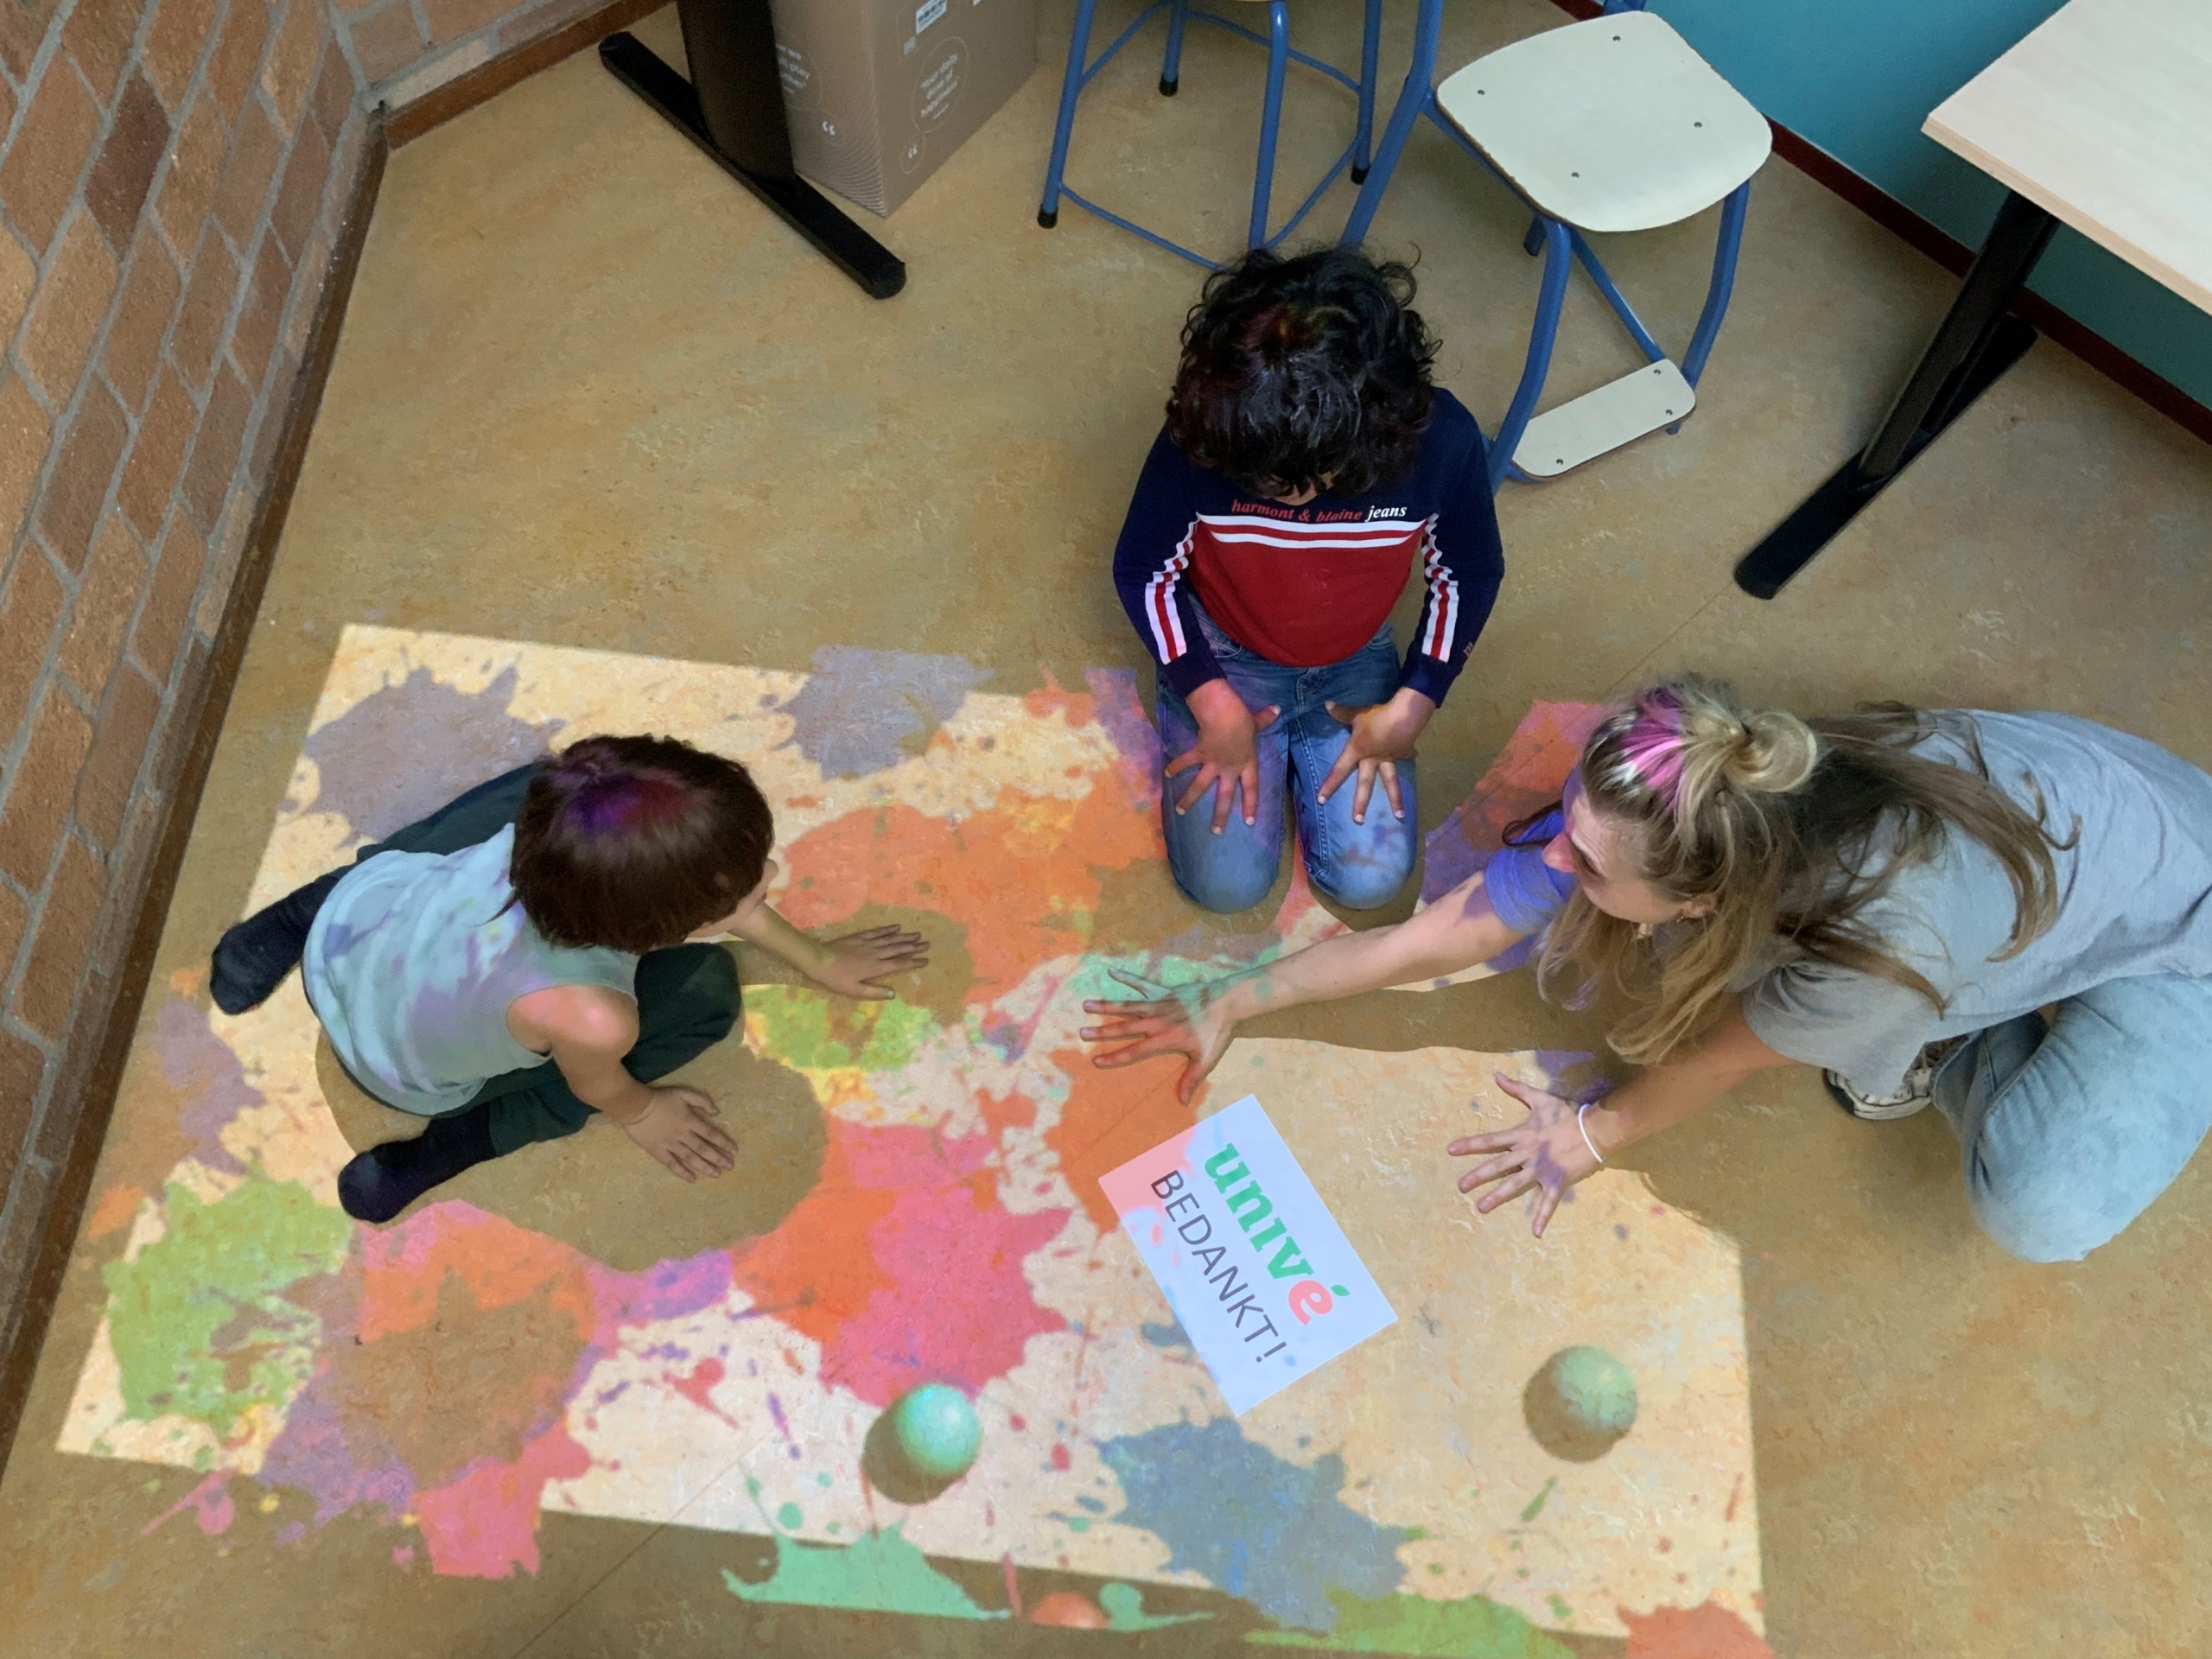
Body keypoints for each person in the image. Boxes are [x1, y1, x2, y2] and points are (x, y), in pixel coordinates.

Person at [1081, 677, 2212, 1263]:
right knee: (1891, 999)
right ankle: (1957, 1007)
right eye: (1570, 826)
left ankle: (1957, 1036)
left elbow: (1715, 1062)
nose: (1555, 859)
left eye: (1585, 863)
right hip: (2096, 813)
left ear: (1704, 898)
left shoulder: (1865, 955)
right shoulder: (1716, 776)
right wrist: (1245, 992)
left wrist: (1586, 1138)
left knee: (2041, 1205)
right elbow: (1456, 926)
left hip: (2182, 934)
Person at [209, 734, 926, 1224]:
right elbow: (598, 1082)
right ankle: (461, 1143)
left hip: (350, 933)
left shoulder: (552, 826)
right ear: (656, 930)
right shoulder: (592, 1013)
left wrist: (819, 960)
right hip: (393, 1073)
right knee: (705, 995)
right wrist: (643, 1114)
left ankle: (299, 913)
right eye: (740, 893)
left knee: (532, 778)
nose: (770, 879)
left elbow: (682, 886)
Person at [1111, 245, 1504, 915]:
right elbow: (1144, 569)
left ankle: (1292, 751)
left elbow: (1468, 569)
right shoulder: (1212, 433)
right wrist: (1210, 699)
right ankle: (1247, 731)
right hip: (1226, 654)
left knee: (1371, 882)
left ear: (1364, 436)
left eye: (1282, 481)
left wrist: (1416, 701)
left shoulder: (1443, 442)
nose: (1262, 491)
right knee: (1226, 888)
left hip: (1354, 659)